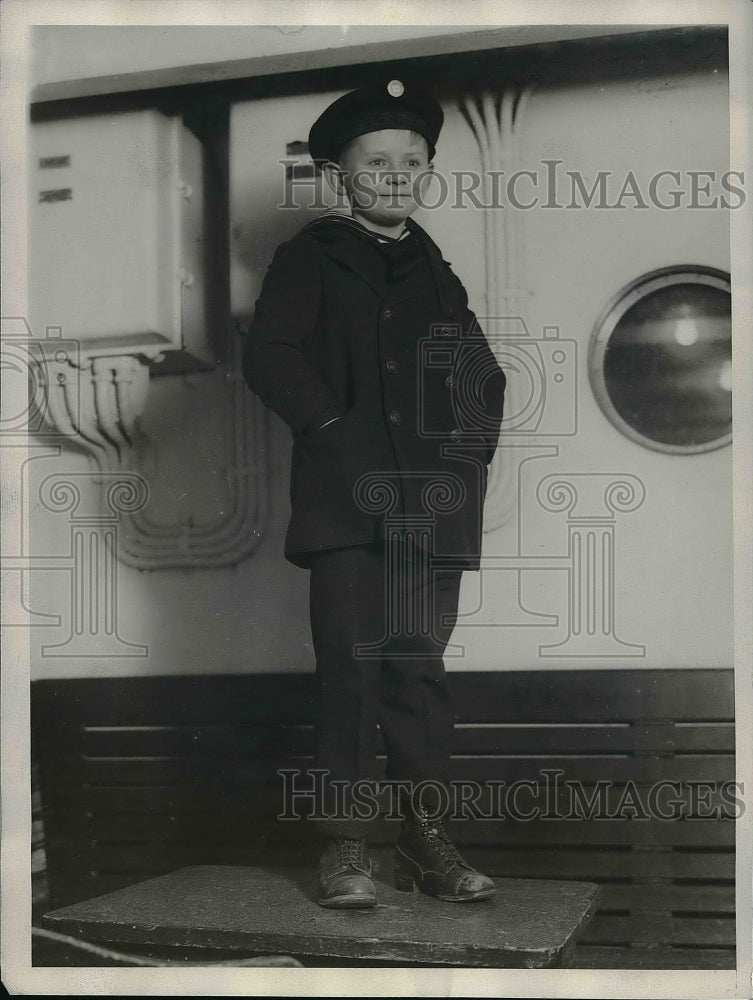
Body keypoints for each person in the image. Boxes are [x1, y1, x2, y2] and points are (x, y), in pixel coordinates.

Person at [242, 79, 506, 909]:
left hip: (430, 512)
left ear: (426, 170)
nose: (396, 175)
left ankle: (428, 847)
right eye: (375, 162)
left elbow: (480, 377)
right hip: (348, 510)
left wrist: (460, 462)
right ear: (338, 174)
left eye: (412, 161)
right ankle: (348, 849)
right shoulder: (310, 255)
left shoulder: (433, 265)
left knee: (416, 675)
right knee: (353, 677)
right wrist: (338, 438)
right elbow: (272, 356)